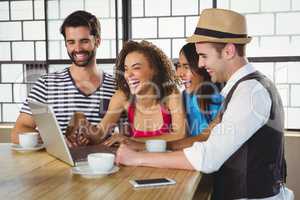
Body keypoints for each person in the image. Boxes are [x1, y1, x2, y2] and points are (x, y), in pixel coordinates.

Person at [115, 8, 288, 200]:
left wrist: (137, 158)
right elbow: (209, 138)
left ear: (229, 51)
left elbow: (208, 157)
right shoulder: (244, 88)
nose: (201, 64)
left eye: (204, 56)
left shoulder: (250, 93)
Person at [11, 10, 116, 146]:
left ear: (97, 41)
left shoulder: (116, 87)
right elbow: (18, 131)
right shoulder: (46, 84)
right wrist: (55, 140)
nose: (77, 49)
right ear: (66, 44)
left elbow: (129, 134)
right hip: (56, 166)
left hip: (104, 165)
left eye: (84, 41)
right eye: (71, 42)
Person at [79, 40, 186, 147]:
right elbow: (101, 133)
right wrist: (82, 124)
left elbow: (179, 135)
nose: (128, 75)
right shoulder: (122, 97)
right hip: (135, 161)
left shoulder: (170, 95)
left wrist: (131, 140)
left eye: (136, 68)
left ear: (155, 70)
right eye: (126, 69)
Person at [175, 43, 222, 137]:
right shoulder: (183, 97)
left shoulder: (216, 99)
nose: (179, 73)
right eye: (179, 66)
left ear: (202, 68)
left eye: (186, 67)